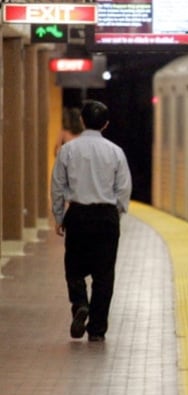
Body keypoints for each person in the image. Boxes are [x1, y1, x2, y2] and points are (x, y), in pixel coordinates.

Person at [51, 100, 132, 342]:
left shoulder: (68, 150)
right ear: (105, 124)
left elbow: (57, 186)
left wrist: (59, 216)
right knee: (104, 274)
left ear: (82, 121)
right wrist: (115, 213)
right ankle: (97, 329)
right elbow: (124, 188)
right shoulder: (116, 152)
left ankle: (80, 305)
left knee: (73, 269)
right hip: (105, 216)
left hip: (78, 215)